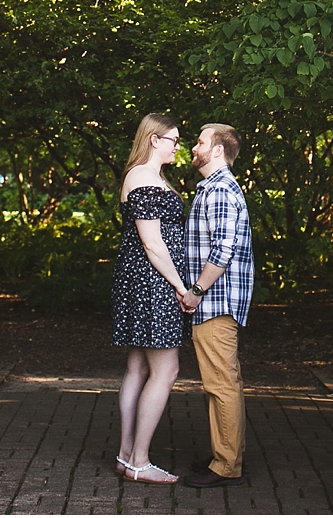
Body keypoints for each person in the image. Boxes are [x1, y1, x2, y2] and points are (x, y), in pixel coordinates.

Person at [110, 112, 191, 484]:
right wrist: (180, 286)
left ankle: (127, 457)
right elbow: (152, 243)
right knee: (166, 369)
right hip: (152, 282)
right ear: (154, 139)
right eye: (173, 140)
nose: (178, 146)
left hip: (143, 282)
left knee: (138, 369)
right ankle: (140, 461)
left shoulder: (150, 177)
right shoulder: (143, 178)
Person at [178, 123, 254, 489]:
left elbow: (222, 249)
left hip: (215, 301)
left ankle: (225, 466)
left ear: (219, 150)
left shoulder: (220, 190)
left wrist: (195, 291)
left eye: (200, 142)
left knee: (220, 383)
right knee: (226, 381)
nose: (194, 147)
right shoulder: (214, 188)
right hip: (219, 300)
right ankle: (227, 455)